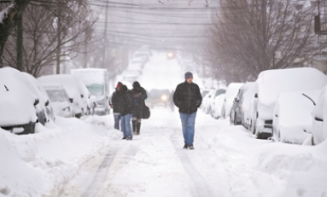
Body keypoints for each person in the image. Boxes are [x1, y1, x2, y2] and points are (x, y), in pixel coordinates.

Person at [173, 72, 202, 150]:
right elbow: (175, 98)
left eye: (191, 77)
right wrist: (180, 104)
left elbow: (199, 97)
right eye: (189, 78)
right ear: (186, 78)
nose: (190, 79)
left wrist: (197, 104)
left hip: (193, 110)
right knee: (185, 127)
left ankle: (190, 143)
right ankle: (186, 142)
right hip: (183, 110)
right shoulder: (180, 87)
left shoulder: (195, 87)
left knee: (191, 126)